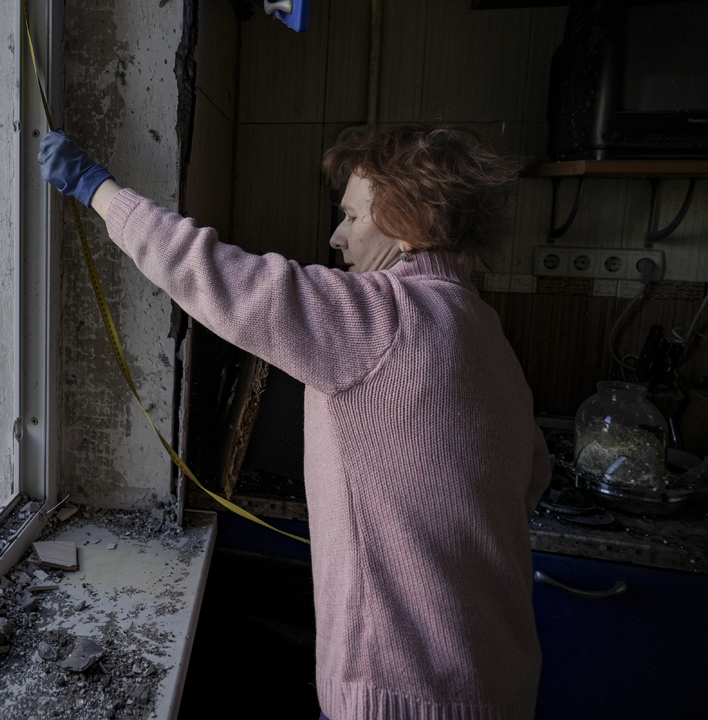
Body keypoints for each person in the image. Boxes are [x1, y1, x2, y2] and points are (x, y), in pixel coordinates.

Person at [39, 125, 550, 720]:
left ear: (412, 225)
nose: (337, 237)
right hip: (500, 684)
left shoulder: (382, 317)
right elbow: (531, 478)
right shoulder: (484, 331)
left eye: (354, 218)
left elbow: (209, 272)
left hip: (402, 694)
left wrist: (96, 188)